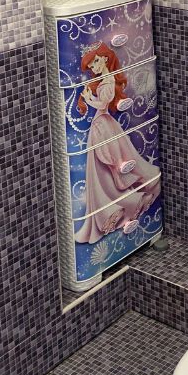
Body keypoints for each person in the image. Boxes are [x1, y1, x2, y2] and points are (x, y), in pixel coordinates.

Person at [74, 42, 160, 244]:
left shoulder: (108, 80)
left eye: (95, 61)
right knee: (102, 169)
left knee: (103, 168)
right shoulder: (106, 79)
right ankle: (116, 206)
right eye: (91, 65)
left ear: (105, 58)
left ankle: (122, 204)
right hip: (103, 125)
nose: (93, 67)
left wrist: (88, 98)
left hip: (102, 125)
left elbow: (102, 104)